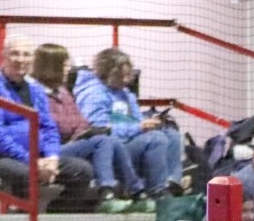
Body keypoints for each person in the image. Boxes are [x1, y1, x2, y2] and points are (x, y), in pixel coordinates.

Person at [0, 40, 96, 208]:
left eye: (26, 54)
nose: (20, 59)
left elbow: (49, 128)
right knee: (28, 175)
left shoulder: (36, 89)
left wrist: (52, 158)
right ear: (3, 57)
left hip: (37, 158)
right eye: (15, 53)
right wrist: (30, 161)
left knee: (82, 170)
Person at [31, 43, 139, 210]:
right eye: (66, 65)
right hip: (49, 152)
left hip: (70, 144)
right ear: (52, 66)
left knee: (108, 140)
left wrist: (82, 133)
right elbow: (49, 127)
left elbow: (80, 121)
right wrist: (75, 134)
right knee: (104, 141)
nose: (69, 69)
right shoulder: (35, 93)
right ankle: (113, 193)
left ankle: (134, 192)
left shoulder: (62, 91)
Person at [74, 49, 179, 203]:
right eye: (121, 75)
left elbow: (135, 120)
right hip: (111, 151)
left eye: (128, 74)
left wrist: (150, 122)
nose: (126, 79)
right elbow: (99, 130)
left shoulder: (125, 93)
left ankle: (172, 185)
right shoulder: (93, 93)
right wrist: (138, 128)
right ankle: (157, 193)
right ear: (107, 73)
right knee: (156, 139)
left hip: (129, 140)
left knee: (172, 135)